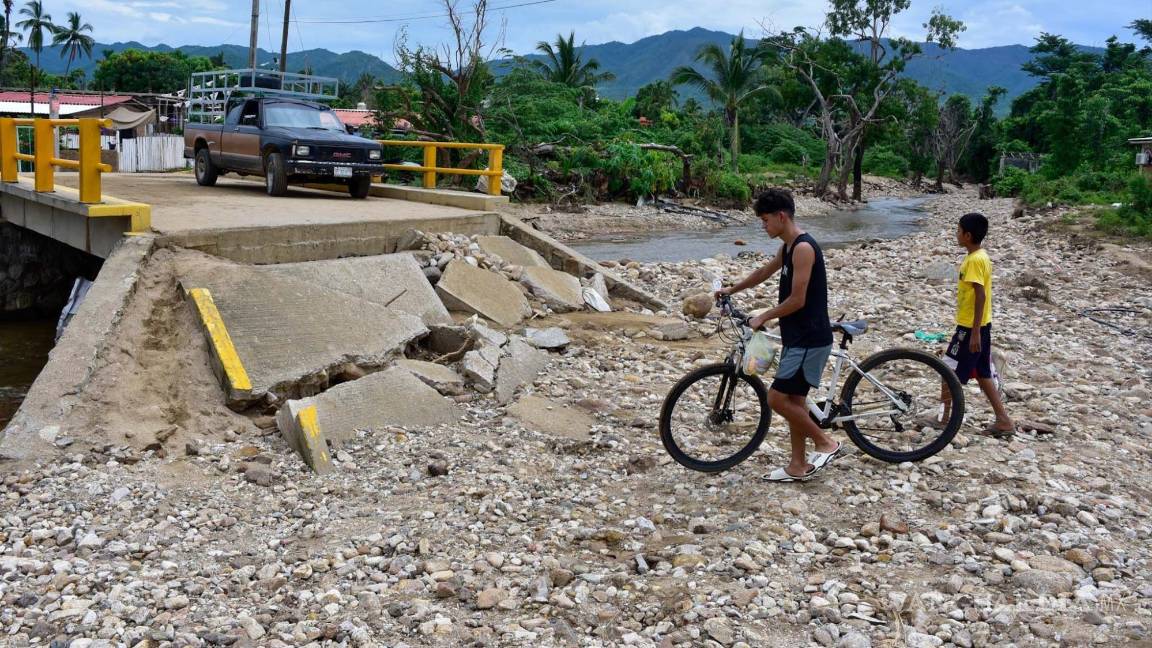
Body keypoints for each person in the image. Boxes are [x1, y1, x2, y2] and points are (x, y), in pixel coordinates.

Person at [716, 189, 843, 482]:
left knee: (776, 399)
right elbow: (764, 272)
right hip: (798, 337)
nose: (763, 226)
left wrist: (763, 316)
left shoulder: (803, 248)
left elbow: (798, 299)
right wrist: (732, 289)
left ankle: (826, 442)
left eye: (764, 220)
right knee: (795, 402)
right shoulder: (788, 247)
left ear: (781, 216)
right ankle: (797, 465)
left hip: (809, 338)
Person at [933, 212, 1014, 435]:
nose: (956, 234)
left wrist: (975, 332)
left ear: (968, 235)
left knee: (947, 369)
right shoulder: (979, 256)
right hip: (979, 326)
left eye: (958, 231)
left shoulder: (975, 261)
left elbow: (980, 296)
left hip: (970, 329)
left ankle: (943, 418)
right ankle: (1003, 421)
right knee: (983, 374)